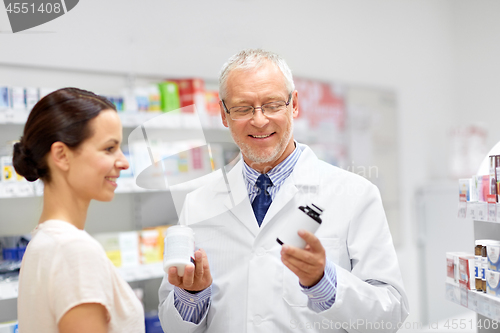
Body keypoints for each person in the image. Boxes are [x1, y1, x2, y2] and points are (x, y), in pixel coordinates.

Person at [158, 49, 409, 332]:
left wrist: (324, 282)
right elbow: (171, 325)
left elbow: (389, 315)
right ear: (224, 115)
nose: (260, 120)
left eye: (273, 104)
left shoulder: (355, 195)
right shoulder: (198, 203)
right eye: (242, 108)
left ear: (295, 105)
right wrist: (192, 296)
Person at [14, 88, 145, 333]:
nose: (124, 162)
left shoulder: (44, 241)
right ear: (62, 155)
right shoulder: (74, 251)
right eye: (109, 148)